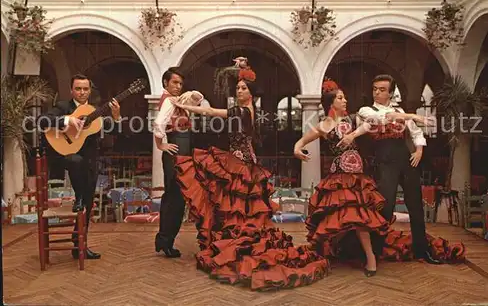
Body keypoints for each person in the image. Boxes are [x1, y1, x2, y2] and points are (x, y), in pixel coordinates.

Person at [172, 59, 329, 290]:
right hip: (243, 160)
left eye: (243, 88)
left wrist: (186, 107)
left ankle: (237, 245)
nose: (239, 90)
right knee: (237, 206)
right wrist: (242, 67)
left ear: (251, 93)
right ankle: (235, 242)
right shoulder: (248, 110)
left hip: (239, 162)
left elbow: (210, 111)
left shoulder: (241, 111)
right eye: (238, 88)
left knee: (235, 204)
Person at [338, 74, 444, 264]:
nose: (377, 92)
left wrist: (419, 150)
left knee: (416, 206)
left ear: (390, 92)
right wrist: (410, 115)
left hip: (406, 159)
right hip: (385, 161)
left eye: (382, 89)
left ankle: (421, 251)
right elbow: (379, 119)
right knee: (385, 208)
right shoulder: (366, 110)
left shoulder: (399, 110)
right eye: (375, 89)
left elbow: (415, 131)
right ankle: (376, 252)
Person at [293, 80, 389, 277]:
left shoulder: (354, 119)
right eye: (340, 98)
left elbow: (374, 122)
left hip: (357, 176)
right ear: (331, 102)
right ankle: (332, 252)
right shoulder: (323, 126)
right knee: (337, 217)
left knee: (361, 217)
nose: (345, 100)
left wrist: (353, 135)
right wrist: (297, 149)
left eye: (344, 97)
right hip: (339, 176)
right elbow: (301, 141)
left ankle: (370, 257)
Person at [39, 74, 121, 260]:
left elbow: (113, 132)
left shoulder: (94, 111)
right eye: (78, 89)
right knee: (76, 161)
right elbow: (43, 121)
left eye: (85, 89)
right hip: (65, 155)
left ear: (90, 91)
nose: (82, 92)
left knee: (88, 204)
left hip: (89, 161)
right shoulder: (63, 107)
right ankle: (79, 197)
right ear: (72, 90)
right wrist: (67, 121)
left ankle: (79, 245)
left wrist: (116, 117)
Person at [152, 67, 198, 258]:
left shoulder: (175, 100)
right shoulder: (169, 101)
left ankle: (165, 240)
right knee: (175, 197)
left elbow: (198, 97)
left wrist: (186, 95)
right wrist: (161, 145)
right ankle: (165, 240)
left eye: (181, 83)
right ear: (165, 83)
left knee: (175, 197)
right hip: (176, 148)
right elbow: (158, 124)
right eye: (174, 83)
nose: (178, 86)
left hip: (181, 147)